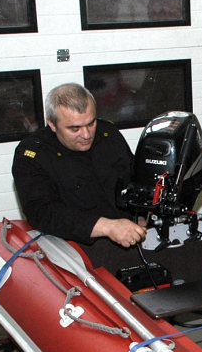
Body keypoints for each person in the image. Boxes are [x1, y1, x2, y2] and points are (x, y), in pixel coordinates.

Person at [12, 83, 145, 269]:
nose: (86, 134)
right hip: (77, 251)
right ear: (52, 123)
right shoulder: (33, 154)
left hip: (128, 240)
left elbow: (133, 180)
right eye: (74, 129)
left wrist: (142, 214)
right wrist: (107, 227)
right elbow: (42, 212)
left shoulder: (109, 135)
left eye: (91, 123)